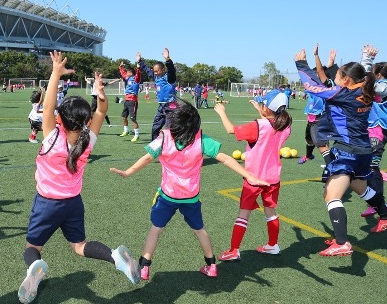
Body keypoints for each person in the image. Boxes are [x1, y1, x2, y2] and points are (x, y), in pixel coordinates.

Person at [18, 51, 140, 304]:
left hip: (47, 203)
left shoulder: (51, 137)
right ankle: (114, 257)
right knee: (79, 245)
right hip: (73, 203)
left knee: (33, 247)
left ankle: (34, 268)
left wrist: (55, 72)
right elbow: (99, 112)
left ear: (60, 119)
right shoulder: (87, 142)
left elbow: (48, 104)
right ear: (84, 121)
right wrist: (100, 95)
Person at [109, 100, 269, 280]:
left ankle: (144, 267)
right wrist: (250, 176)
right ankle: (212, 266)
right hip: (190, 197)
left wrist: (128, 172)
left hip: (168, 195)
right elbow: (225, 159)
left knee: (156, 229)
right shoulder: (200, 138)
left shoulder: (164, 137)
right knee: (200, 230)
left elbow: (147, 158)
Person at [295, 46, 387, 256]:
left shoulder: (342, 94)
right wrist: (366, 59)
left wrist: (301, 64)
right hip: (363, 151)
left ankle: (342, 242)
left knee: (331, 195)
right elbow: (366, 76)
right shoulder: (367, 92)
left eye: (340, 76)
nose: (337, 79)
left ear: (347, 80)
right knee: (361, 187)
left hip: (348, 152)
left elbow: (310, 85)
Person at [214, 90, 292, 260]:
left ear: (266, 108)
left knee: (243, 214)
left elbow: (230, 130)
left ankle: (234, 250)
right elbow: (271, 122)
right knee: (271, 212)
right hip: (273, 178)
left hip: (253, 178)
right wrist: (260, 109)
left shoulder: (258, 125)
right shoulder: (286, 125)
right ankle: (273, 245)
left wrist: (222, 112)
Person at [361, 50, 387, 218]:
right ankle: (375, 202)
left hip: (378, 129)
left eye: (374, 72)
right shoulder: (384, 84)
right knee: (366, 166)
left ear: (380, 74)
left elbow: (368, 83)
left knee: (372, 166)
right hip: (371, 128)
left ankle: (379, 203)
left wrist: (367, 59)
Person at [298, 44, 337, 167]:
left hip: (320, 120)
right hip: (311, 119)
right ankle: (309, 155)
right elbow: (313, 73)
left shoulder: (326, 86)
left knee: (321, 144)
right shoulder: (313, 86)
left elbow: (322, 71)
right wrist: (331, 61)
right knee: (308, 139)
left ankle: (332, 168)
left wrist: (314, 56)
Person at [138, 48, 177, 140]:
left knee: (169, 130)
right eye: (154, 71)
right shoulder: (156, 77)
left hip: (171, 107)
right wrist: (140, 61)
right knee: (155, 128)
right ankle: (154, 147)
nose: (155, 73)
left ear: (163, 70)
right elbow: (147, 70)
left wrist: (168, 60)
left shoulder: (169, 78)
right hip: (161, 106)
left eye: (157, 71)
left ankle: (171, 149)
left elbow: (171, 70)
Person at [118, 61, 142, 141]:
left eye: (128, 72)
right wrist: (121, 67)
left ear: (131, 73)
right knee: (124, 117)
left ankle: (137, 135)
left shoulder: (136, 79)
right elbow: (123, 73)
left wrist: (138, 68)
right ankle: (126, 131)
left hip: (133, 101)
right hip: (127, 100)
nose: (126, 73)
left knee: (133, 119)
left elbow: (138, 74)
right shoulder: (127, 78)